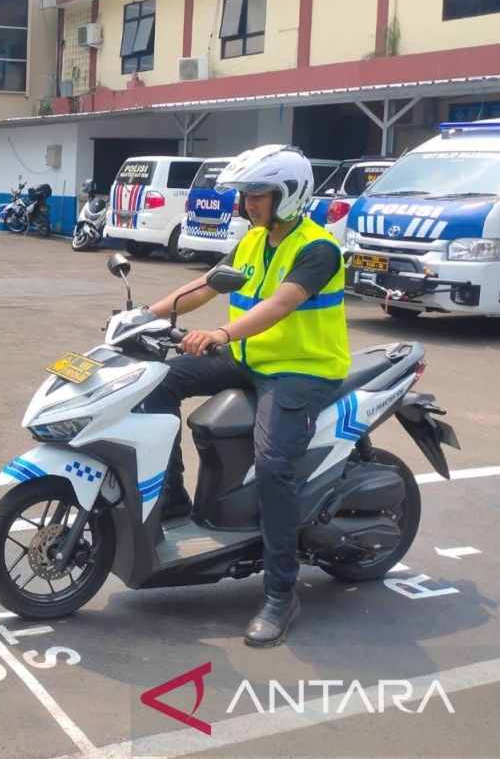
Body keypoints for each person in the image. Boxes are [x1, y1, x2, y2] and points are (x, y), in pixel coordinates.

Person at [142, 144, 350, 647]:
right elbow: (206, 285)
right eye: (246, 194)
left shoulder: (317, 248)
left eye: (258, 194)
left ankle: (281, 592)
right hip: (251, 357)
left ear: (289, 195)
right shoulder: (254, 242)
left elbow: (282, 305)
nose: (248, 203)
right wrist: (142, 317)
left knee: (274, 462)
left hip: (301, 370)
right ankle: (172, 501)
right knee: (157, 383)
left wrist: (221, 333)